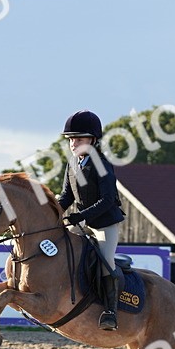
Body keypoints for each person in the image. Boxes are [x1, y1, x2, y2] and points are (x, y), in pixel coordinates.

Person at [56, 110, 125, 330]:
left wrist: (81, 216)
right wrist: (52, 213)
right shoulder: (72, 164)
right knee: (63, 251)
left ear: (93, 140)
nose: (73, 144)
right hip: (82, 222)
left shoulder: (102, 164)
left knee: (106, 262)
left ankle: (110, 312)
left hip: (105, 223)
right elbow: (66, 197)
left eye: (79, 139)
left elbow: (107, 200)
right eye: (71, 140)